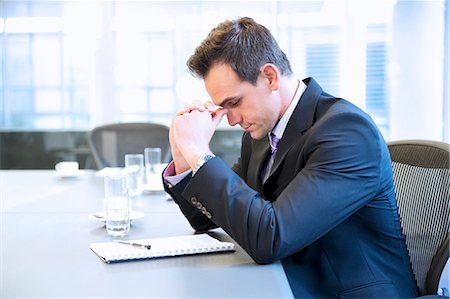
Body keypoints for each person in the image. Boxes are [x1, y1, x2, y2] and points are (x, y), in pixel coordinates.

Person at [163, 17, 418, 298]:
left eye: (234, 103)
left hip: (340, 291)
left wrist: (200, 153)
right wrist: (184, 156)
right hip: (284, 281)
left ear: (270, 77)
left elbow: (271, 238)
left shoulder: (347, 132)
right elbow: (207, 219)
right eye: (222, 107)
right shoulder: (261, 132)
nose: (232, 120)